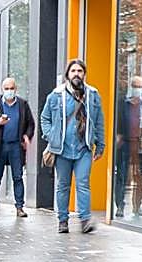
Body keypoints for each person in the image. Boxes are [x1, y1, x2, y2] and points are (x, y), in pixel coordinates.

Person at [41, 58, 105, 233]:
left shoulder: (93, 94)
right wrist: (50, 135)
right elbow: (44, 118)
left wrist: (100, 144)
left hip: (83, 148)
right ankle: (63, 220)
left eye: (80, 71)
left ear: (84, 74)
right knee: (63, 185)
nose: (77, 74)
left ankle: (85, 220)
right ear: (68, 74)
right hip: (61, 149)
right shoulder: (56, 95)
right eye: (73, 71)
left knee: (83, 183)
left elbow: (99, 121)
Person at [0, 77, 35, 218]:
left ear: (16, 89)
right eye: (6, 89)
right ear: (2, 89)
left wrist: (27, 136)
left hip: (15, 147)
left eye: (12, 88)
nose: (9, 91)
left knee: (17, 177)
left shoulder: (23, 104)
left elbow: (31, 123)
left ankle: (19, 207)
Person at [114, 75, 142, 218]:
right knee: (122, 177)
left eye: (140, 87)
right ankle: (120, 205)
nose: (138, 90)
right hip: (125, 144)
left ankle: (137, 205)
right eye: (135, 86)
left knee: (140, 177)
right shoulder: (122, 103)